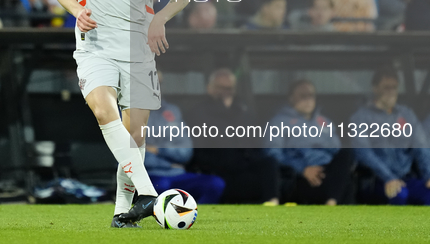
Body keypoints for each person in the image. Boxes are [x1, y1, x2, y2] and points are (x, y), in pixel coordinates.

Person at [52, 0, 191, 227]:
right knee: (103, 109)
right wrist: (76, 11)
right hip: (95, 44)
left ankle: (123, 211)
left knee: (135, 135)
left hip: (138, 48)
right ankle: (148, 193)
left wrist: (160, 18)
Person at [188, 69, 281, 204]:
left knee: (269, 163)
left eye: (230, 88)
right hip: (219, 173)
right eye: (221, 88)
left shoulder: (243, 111)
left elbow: (254, 144)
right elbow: (198, 153)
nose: (226, 92)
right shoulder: (198, 114)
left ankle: (272, 204)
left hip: (244, 170)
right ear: (209, 88)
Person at [351, 67, 430, 205]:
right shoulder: (361, 117)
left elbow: (421, 145)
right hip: (375, 180)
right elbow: (363, 152)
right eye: (386, 87)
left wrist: (428, 175)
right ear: (375, 88)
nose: (391, 92)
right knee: (399, 194)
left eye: (394, 87)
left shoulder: (406, 114)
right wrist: (389, 178)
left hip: (407, 178)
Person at [266, 80, 352, 205]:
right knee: (346, 187)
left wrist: (318, 143)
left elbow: (336, 148)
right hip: (299, 177)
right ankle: (332, 202)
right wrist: (303, 168)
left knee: (347, 154)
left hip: (327, 172)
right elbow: (272, 153)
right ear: (291, 98)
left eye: (311, 95)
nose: (308, 99)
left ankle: (331, 202)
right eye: (303, 96)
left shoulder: (325, 122)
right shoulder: (279, 122)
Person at [145, 96, 226, 204]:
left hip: (178, 173)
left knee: (215, 183)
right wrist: (169, 164)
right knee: (161, 186)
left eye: (159, 83)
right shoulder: (129, 112)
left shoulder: (172, 110)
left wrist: (158, 149)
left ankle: (198, 216)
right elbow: (134, 156)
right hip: (149, 176)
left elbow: (186, 151)